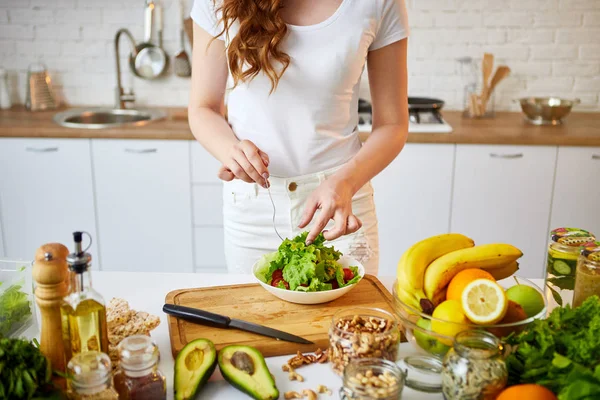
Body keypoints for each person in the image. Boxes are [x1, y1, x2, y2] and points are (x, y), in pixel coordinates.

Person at [189, 0, 409, 275]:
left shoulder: (379, 3)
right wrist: (231, 151)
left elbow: (393, 124)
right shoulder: (217, 2)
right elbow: (203, 108)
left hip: (341, 207)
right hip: (253, 210)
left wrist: (345, 182)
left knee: (350, 318)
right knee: (253, 316)